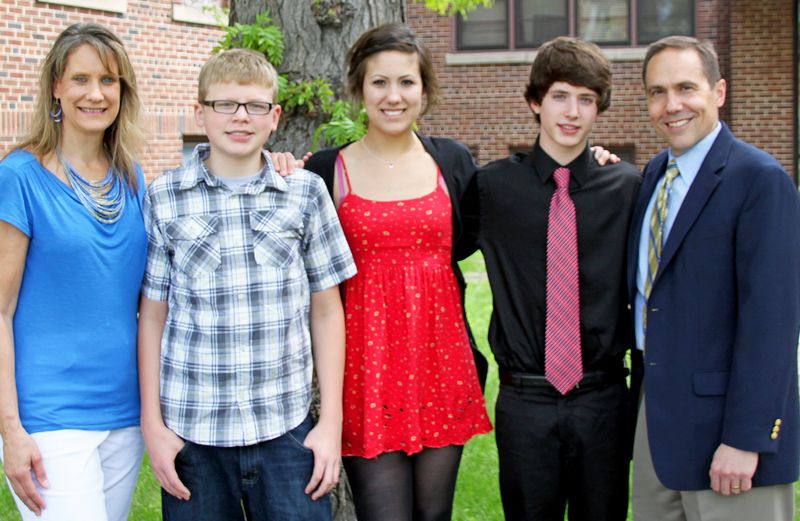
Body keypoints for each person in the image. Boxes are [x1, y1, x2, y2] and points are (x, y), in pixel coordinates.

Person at [137, 47, 356, 521]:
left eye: (255, 106)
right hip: (192, 433)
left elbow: (327, 309)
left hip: (285, 429)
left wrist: (330, 424)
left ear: (274, 116)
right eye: (225, 105)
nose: (241, 117)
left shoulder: (304, 193)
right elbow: (153, 316)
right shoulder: (164, 196)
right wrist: (152, 425)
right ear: (200, 112)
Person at [303, 23, 493, 521]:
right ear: (359, 90)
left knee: (435, 515)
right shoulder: (325, 171)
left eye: (406, 82)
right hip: (364, 371)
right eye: (379, 83)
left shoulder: (452, 161)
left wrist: (594, 165)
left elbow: (482, 231)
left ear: (424, 90)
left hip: (441, 364)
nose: (394, 96)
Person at [461, 37, 641, 521]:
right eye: (561, 96)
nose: (572, 112)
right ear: (536, 101)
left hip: (602, 397)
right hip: (526, 399)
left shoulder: (625, 187)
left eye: (586, 99)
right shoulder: (491, 187)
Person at [628, 35, 800, 521]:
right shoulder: (655, 175)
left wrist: (746, 439)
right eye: (657, 92)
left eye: (686, 88)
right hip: (658, 424)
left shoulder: (760, 180)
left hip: (731, 435)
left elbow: (773, 323)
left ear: (719, 92)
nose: (671, 105)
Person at [0, 23, 147, 521]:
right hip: (50, 414)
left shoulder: (131, 177)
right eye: (80, 78)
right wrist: (11, 430)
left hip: (126, 412)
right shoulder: (20, 176)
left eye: (109, 80)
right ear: (57, 87)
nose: (95, 93)